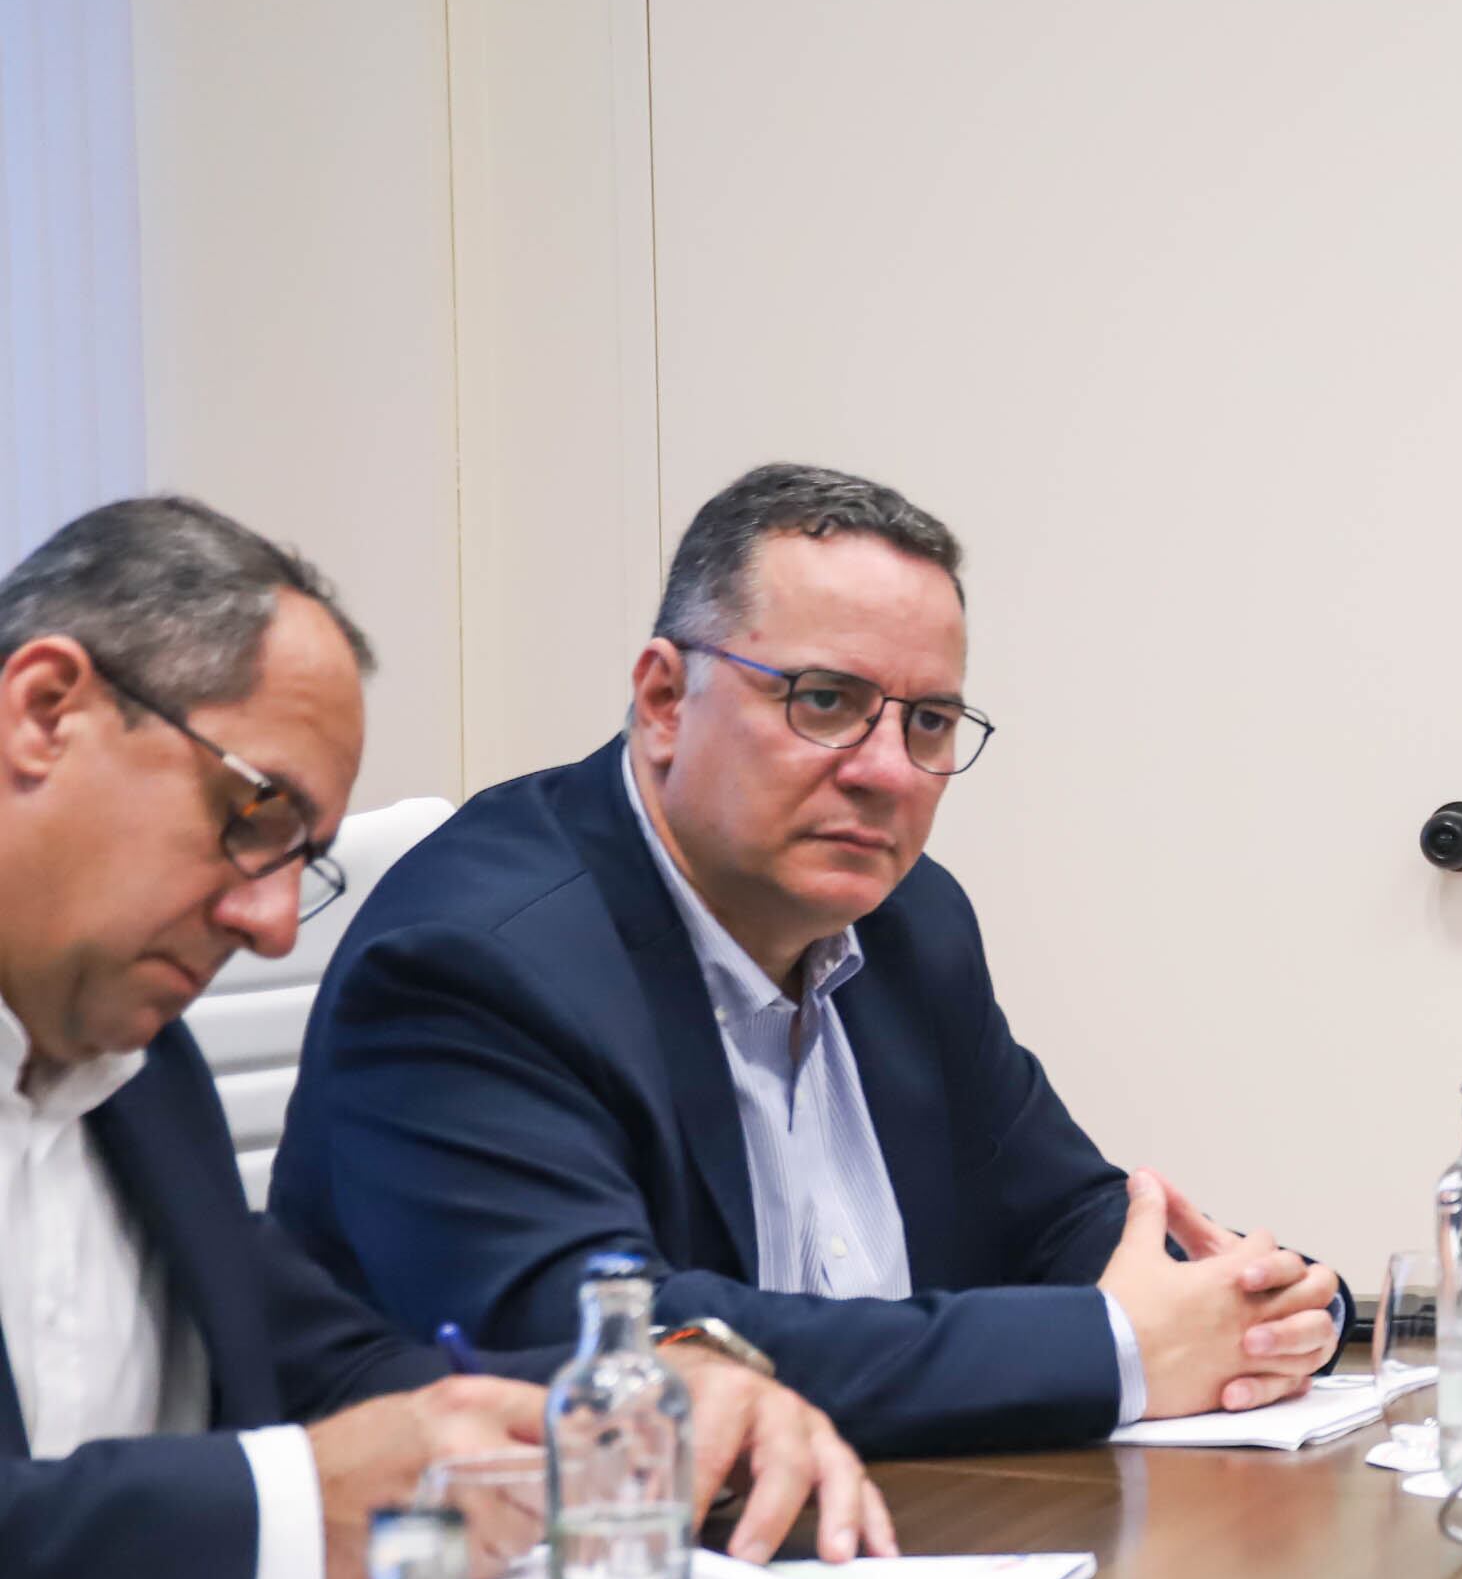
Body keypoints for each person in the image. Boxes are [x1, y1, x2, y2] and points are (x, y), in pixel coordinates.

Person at [270, 464, 1340, 1457]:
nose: (885, 771)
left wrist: (1258, 1300)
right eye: (824, 700)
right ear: (661, 701)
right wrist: (1112, 1348)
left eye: (928, 721)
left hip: (889, 1532)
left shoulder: (910, 919)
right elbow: (621, 1347)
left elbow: (1057, 1215)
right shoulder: (475, 962)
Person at [0, 499, 882, 1579]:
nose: (269, 927)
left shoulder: (143, 1072)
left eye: (299, 861)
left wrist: (633, 1403)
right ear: (44, 712)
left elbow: (338, 1368)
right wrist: (292, 1503)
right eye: (250, 816)